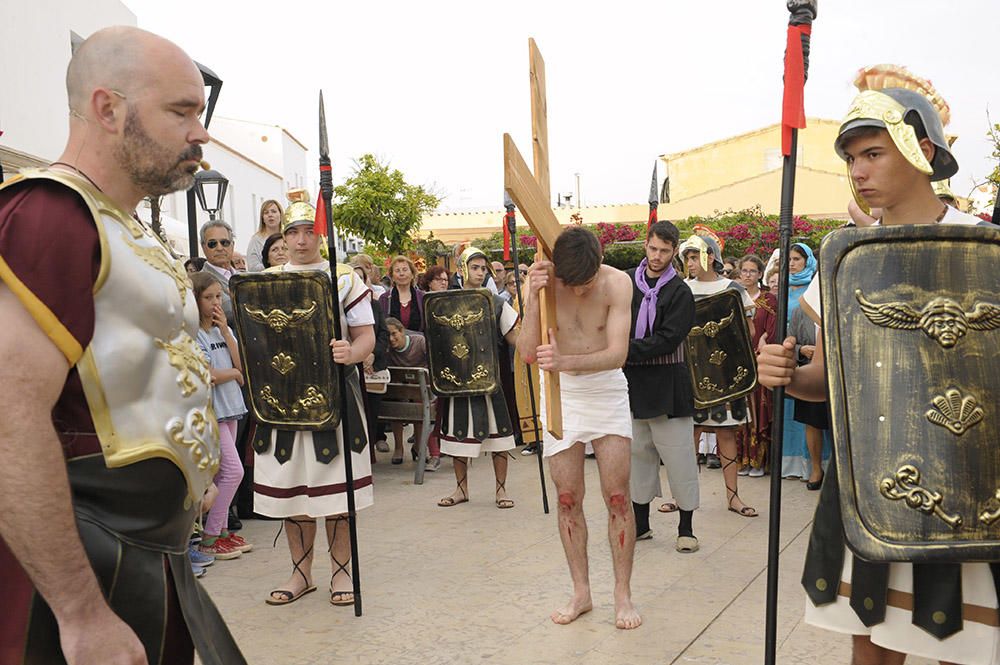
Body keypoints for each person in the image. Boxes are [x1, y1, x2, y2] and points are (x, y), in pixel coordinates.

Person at [0, 25, 245, 665]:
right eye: (181, 111)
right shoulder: (48, 213)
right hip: (85, 563)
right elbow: (7, 417)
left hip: (147, 555)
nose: (201, 132)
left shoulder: (122, 227)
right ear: (108, 108)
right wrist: (80, 611)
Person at [758, 86, 996, 665]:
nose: (857, 172)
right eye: (850, 160)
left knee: (967, 647)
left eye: (873, 153)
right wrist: (788, 372)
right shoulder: (848, 258)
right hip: (877, 478)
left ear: (919, 149)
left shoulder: (984, 246)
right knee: (874, 645)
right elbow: (827, 382)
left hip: (971, 480)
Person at [518, 226, 641, 630]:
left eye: (587, 282)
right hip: (560, 392)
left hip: (604, 389)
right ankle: (581, 592)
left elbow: (618, 353)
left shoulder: (618, 283)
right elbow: (525, 352)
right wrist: (533, 297)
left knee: (618, 496)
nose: (582, 291)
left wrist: (565, 362)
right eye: (574, 284)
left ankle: (622, 594)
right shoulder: (543, 281)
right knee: (568, 497)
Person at [256, 196, 376, 608]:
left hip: (333, 397)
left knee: (335, 494)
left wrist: (352, 352)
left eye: (309, 231)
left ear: (319, 234)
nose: (302, 240)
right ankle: (301, 573)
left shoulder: (342, 278)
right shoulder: (267, 280)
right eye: (294, 232)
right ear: (283, 238)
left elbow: (366, 336)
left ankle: (341, 573)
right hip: (283, 399)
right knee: (293, 492)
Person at [624, 221, 699, 553]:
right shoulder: (626, 282)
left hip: (669, 384)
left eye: (664, 251)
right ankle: (640, 525)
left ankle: (686, 528)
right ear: (646, 244)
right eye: (653, 248)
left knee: (679, 456)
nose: (657, 256)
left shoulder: (680, 291)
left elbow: (669, 340)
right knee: (638, 453)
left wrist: (622, 350)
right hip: (632, 382)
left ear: (674, 251)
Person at [679, 231, 758, 518]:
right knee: (691, 434)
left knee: (726, 432)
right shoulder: (682, 290)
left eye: (694, 255)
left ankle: (733, 497)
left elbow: (748, 332)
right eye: (686, 256)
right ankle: (682, 495)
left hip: (727, 375)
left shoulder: (733, 288)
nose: (689, 261)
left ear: (710, 256)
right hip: (694, 374)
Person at [436, 247, 519, 509]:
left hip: (490, 380)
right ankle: (461, 489)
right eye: (475, 267)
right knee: (459, 438)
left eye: (484, 269)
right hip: (458, 380)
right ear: (462, 269)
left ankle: (501, 490)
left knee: (499, 438)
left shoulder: (496, 304)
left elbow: (515, 338)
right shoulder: (445, 303)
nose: (481, 272)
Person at [191, 273, 252, 559]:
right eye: (208, 297)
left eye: (218, 296)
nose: (215, 302)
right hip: (212, 412)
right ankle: (209, 537)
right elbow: (208, 375)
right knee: (233, 472)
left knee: (223, 473)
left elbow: (243, 364)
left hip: (231, 408)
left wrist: (227, 332)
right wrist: (234, 374)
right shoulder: (194, 334)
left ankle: (222, 532)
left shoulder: (219, 330)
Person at [735, 254, 777, 478]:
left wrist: (763, 343)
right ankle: (742, 460)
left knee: (759, 409)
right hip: (738, 361)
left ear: (760, 274)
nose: (747, 275)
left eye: (752, 271)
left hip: (759, 360)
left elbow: (771, 329)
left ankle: (758, 461)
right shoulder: (734, 296)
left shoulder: (769, 300)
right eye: (744, 271)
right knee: (741, 411)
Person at [777, 243, 816, 480]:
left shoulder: (815, 287)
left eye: (797, 259)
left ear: (807, 261)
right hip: (789, 354)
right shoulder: (781, 286)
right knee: (790, 412)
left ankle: (813, 466)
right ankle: (790, 466)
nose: (791, 263)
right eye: (789, 259)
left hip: (814, 359)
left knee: (812, 416)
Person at [384, 317, 441, 471]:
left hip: (424, 390)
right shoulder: (388, 350)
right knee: (395, 403)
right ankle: (398, 447)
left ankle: (420, 447)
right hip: (402, 391)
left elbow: (434, 362)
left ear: (402, 331)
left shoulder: (419, 342)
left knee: (420, 404)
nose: (391, 339)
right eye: (387, 336)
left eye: (394, 334)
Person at [199, 219, 236, 325]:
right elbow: (226, 311)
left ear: (232, 245)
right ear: (203, 247)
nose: (219, 248)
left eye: (224, 243)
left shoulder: (244, 277)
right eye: (212, 244)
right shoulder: (199, 281)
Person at [378, 255, 425, 332]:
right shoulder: (384, 299)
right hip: (392, 342)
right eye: (397, 271)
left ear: (412, 274)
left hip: (418, 342)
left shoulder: (422, 297)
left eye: (405, 270)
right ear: (392, 277)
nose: (401, 274)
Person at [246, 199, 283, 271]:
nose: (270, 215)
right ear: (262, 218)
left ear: (280, 214)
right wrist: (273, 266)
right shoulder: (256, 240)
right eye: (266, 213)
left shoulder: (288, 237)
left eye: (274, 211)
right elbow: (252, 267)